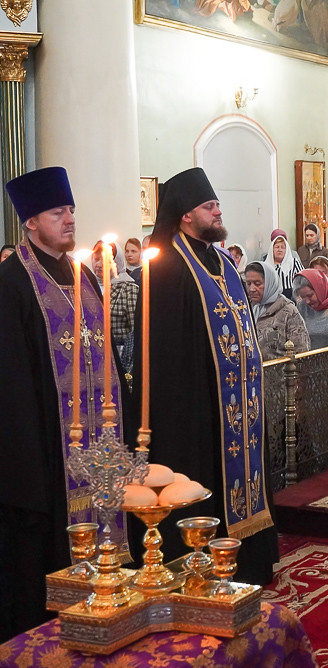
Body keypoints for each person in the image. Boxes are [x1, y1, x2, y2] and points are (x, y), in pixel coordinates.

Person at [0, 167, 132, 640]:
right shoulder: (13, 283)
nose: (70, 219)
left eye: (72, 210)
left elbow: (111, 362)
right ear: (31, 222)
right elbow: (11, 382)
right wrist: (28, 470)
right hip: (49, 458)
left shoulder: (83, 277)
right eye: (58, 212)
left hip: (101, 447)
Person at [138, 167, 278, 586]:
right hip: (199, 406)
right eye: (209, 206)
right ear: (185, 215)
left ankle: (250, 558)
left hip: (242, 404)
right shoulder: (166, 268)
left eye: (217, 204)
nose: (218, 212)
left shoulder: (221, 261)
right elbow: (165, 352)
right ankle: (202, 561)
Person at [245, 260, 310, 360]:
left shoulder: (288, 311)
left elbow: (301, 352)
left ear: (270, 283)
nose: (252, 289)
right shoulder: (247, 308)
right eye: (248, 284)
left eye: (257, 284)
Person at [92, 242, 139, 375]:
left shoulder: (128, 289)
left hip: (120, 360)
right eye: (96, 259)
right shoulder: (86, 287)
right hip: (94, 360)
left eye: (105, 260)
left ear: (116, 262)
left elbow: (136, 332)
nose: (99, 264)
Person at [264, 230, 303, 299]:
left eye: (283, 247)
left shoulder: (294, 263)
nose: (280, 250)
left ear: (286, 249)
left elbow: (303, 281)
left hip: (292, 298)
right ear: (272, 249)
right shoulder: (266, 265)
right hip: (272, 298)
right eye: (277, 247)